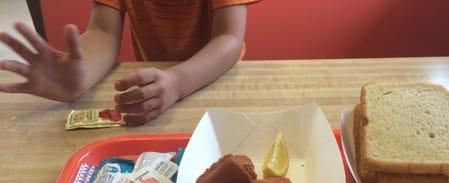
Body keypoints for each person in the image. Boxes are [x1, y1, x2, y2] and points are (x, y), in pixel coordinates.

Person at [0, 0, 259, 125]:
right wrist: (82, 75)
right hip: (157, 92)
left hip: (218, 85)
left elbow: (228, 38)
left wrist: (177, 83)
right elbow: (103, 31)